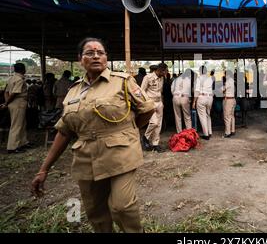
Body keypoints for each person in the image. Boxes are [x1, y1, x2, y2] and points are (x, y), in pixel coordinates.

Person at [31, 37, 155, 233]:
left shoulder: (122, 82)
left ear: (106, 57)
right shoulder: (73, 92)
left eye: (101, 52)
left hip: (121, 153)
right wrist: (44, 169)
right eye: (90, 53)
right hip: (86, 157)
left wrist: (128, 131)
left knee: (122, 207)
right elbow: (64, 131)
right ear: (80, 59)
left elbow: (147, 109)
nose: (96, 56)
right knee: (96, 213)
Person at [0, 63, 31, 153]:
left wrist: (7, 103)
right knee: (17, 125)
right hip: (18, 102)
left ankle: (22, 142)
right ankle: (13, 147)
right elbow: (15, 93)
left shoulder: (11, 78)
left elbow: (6, 92)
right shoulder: (20, 79)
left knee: (22, 123)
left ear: (14, 70)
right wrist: (6, 103)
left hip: (13, 103)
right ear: (23, 70)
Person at [141, 62, 168, 152]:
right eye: (164, 72)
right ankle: (145, 137)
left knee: (159, 125)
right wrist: (146, 103)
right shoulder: (148, 77)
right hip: (150, 103)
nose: (165, 74)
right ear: (159, 70)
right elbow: (142, 91)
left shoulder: (161, 78)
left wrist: (162, 103)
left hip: (159, 103)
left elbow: (160, 92)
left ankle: (155, 144)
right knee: (154, 123)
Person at [192, 66, 214, 140]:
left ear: (200, 71)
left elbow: (197, 90)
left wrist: (194, 101)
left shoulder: (199, 78)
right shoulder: (210, 78)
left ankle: (206, 134)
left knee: (203, 117)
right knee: (208, 115)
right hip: (210, 98)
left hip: (202, 98)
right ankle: (210, 132)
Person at [171, 69, 192, 133]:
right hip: (184, 97)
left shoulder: (175, 80)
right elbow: (189, 90)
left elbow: (172, 90)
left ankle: (179, 132)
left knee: (177, 116)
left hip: (175, 97)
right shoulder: (188, 80)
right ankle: (189, 133)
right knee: (187, 117)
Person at [222, 70, 236, 138]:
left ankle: (227, 133)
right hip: (233, 99)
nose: (224, 76)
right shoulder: (232, 81)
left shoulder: (228, 81)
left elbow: (222, 89)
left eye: (225, 74)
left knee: (227, 117)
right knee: (231, 116)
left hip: (228, 100)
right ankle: (232, 130)